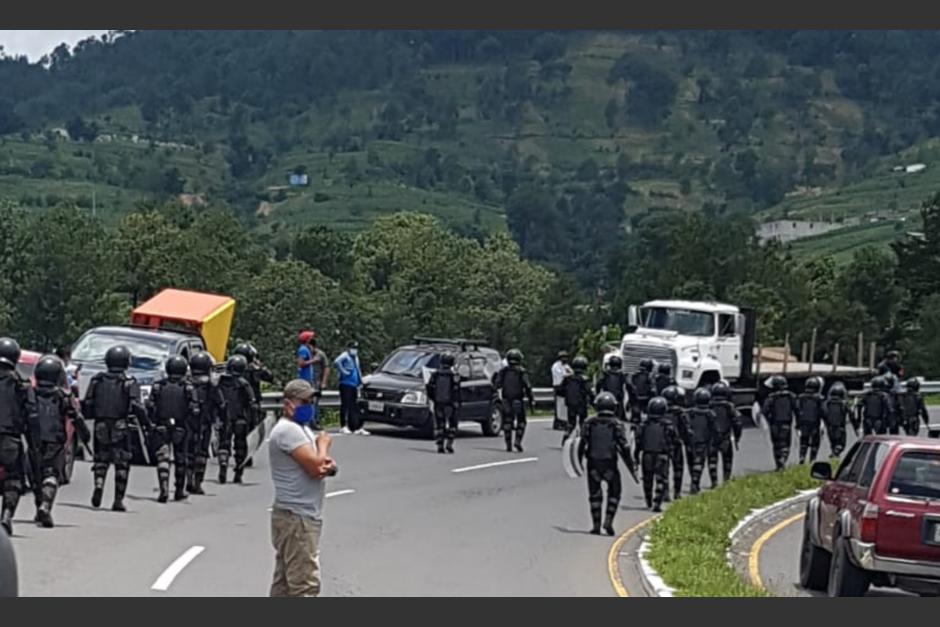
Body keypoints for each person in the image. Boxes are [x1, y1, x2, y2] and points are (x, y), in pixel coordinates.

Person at [269, 379, 337, 597]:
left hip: (296, 515)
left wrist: (324, 459)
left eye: (311, 400)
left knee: (286, 583)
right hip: (297, 517)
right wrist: (324, 445)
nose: (309, 405)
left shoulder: (301, 429)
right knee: (304, 585)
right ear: (288, 403)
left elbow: (326, 465)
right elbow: (317, 467)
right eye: (304, 401)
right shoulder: (288, 431)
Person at [83, 345, 149, 512]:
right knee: (122, 464)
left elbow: (88, 403)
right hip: (121, 425)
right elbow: (136, 405)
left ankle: (98, 485)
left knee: (101, 460)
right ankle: (118, 500)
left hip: (101, 425)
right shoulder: (129, 381)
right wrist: (147, 423)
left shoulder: (97, 380)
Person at [29, 355, 89, 528]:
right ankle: (45, 506)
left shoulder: (29, 393)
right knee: (51, 474)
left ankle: (39, 506)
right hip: (55, 440)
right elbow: (76, 417)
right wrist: (85, 435)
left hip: (33, 440)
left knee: (36, 476)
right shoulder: (64, 395)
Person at [577, 392, 637, 535]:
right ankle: (608, 520)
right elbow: (624, 446)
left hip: (592, 464)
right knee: (615, 492)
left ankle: (596, 525)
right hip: (610, 464)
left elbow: (581, 444)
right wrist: (631, 464)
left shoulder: (589, 423)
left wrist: (578, 462)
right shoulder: (616, 424)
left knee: (594, 494)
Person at [147, 356, 198, 502]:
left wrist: (152, 423)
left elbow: (150, 406)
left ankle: (163, 487)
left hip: (161, 425)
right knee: (180, 458)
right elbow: (195, 409)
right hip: (181, 426)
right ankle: (179, 490)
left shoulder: (158, 386)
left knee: (162, 457)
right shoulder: (188, 387)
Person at [0, 338, 35, 535]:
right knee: (14, 480)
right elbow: (32, 415)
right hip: (10, 440)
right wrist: (34, 442)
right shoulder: (21, 384)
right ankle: (6, 515)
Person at [187, 352, 225, 495]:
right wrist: (221, 422)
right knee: (202, 453)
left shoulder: (187, 383)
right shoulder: (211, 386)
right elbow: (221, 405)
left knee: (188, 451)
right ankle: (197, 483)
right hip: (205, 423)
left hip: (188, 423)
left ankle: (188, 480)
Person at [217, 354, 255, 485]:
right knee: (240, 446)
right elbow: (252, 402)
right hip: (240, 418)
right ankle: (238, 472)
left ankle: (223, 465)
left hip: (224, 418)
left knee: (223, 443)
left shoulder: (220, 381)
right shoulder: (244, 384)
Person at [634, 397, 674, 512]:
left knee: (647, 479)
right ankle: (657, 502)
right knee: (661, 479)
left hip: (647, 455)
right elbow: (674, 439)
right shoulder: (667, 424)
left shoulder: (644, 424)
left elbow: (638, 441)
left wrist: (636, 455)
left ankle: (648, 500)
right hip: (662, 455)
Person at [492, 349, 535, 453]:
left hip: (506, 400)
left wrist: (494, 380)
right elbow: (527, 386)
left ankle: (508, 445)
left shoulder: (504, 371)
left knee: (507, 422)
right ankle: (518, 441)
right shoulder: (521, 371)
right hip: (518, 400)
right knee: (521, 422)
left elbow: (497, 384)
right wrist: (531, 399)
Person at [761, 375, 799, 471]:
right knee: (786, 444)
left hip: (774, 424)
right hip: (786, 423)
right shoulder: (791, 396)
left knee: (776, 444)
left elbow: (764, 411)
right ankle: (783, 460)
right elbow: (797, 409)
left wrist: (769, 419)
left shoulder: (771, 398)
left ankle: (778, 464)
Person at [426, 353, 461, 454]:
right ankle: (449, 444)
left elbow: (429, 387)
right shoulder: (454, 375)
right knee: (452, 424)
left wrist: (432, 398)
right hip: (450, 404)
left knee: (439, 424)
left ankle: (440, 445)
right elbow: (457, 390)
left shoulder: (435, 374)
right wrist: (457, 402)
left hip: (438, 402)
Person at [708, 382, 741, 485]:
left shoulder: (708, 406)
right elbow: (737, 423)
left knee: (712, 461)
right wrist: (737, 436)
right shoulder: (730, 407)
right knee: (727, 460)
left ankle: (714, 482)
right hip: (725, 437)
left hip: (711, 438)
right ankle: (726, 480)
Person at [685, 387, 716, 494]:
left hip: (690, 441)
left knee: (691, 463)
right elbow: (714, 429)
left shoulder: (689, 413)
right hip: (703, 442)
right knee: (699, 463)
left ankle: (694, 483)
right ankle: (695, 483)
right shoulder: (711, 414)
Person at [334, 341, 367, 435]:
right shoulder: (345, 355)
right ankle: (343, 426)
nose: (354, 350)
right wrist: (344, 371)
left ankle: (356, 426)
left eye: (356, 348)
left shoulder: (355, 357)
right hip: (345, 384)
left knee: (354, 406)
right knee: (345, 405)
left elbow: (358, 369)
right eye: (353, 348)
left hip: (354, 384)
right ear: (348, 348)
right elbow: (336, 361)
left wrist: (360, 381)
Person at [661, 385, 688, 500]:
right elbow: (686, 429)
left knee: (664, 470)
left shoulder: (660, 411)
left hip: (664, 445)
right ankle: (677, 492)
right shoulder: (680, 413)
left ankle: (665, 492)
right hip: (676, 443)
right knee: (678, 468)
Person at [561, 356, 593, 443]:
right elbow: (589, 391)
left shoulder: (568, 378)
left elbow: (561, 390)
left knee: (571, 422)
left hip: (570, 403)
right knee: (583, 422)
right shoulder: (584, 379)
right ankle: (583, 440)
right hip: (581, 403)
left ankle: (566, 435)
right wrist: (593, 402)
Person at [296, 332, 330, 415]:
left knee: (313, 401)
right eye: (310, 337)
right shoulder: (303, 349)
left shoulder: (317, 352)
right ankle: (309, 421)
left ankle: (313, 421)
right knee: (308, 401)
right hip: (306, 380)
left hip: (314, 380)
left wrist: (323, 382)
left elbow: (327, 367)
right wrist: (313, 361)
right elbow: (301, 363)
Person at [796, 377, 825, 464]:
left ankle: (802, 456)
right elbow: (823, 411)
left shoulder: (801, 397)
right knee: (815, 442)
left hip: (803, 422)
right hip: (815, 422)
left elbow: (797, 409)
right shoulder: (819, 398)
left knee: (803, 441)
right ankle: (812, 459)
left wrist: (798, 423)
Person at [595, 355, 629, 421]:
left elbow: (598, 384)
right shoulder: (621, 375)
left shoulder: (605, 374)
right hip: (618, 399)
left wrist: (598, 395)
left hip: (606, 398)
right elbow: (629, 385)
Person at [824, 382, 850, 457]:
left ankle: (834, 453)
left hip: (830, 427)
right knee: (841, 444)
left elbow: (823, 414)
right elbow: (851, 414)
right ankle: (836, 452)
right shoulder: (843, 404)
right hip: (840, 427)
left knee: (833, 443)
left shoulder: (827, 404)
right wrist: (856, 426)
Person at [627, 358, 655, 425]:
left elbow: (628, 385)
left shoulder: (633, 375)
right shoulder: (649, 376)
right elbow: (653, 389)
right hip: (645, 399)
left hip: (635, 400)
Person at [551, 351, 572, 431]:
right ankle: (557, 423)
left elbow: (571, 372)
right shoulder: (556, 366)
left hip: (564, 387)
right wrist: (568, 374)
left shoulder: (566, 366)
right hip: (558, 386)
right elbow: (563, 375)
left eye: (566, 357)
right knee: (558, 405)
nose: (565, 359)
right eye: (563, 357)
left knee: (563, 405)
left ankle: (563, 422)